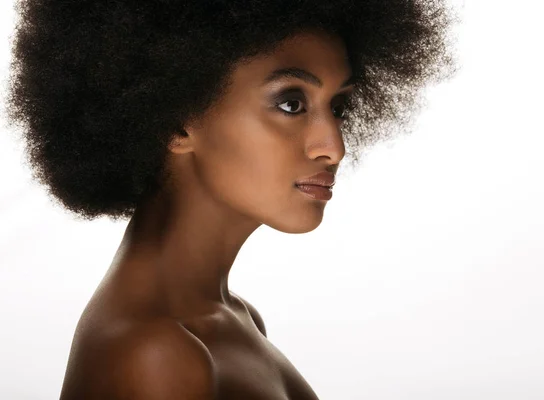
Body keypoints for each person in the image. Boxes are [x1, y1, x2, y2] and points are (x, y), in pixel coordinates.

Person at [4, 0, 456, 398]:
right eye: (291, 104)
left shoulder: (231, 316)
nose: (333, 146)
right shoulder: (155, 355)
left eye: (337, 107)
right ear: (177, 120)